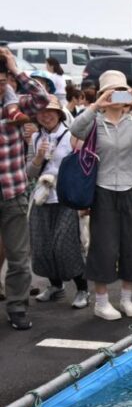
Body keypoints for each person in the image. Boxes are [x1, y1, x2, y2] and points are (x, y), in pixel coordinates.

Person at [70, 70, 132, 320]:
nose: (117, 95)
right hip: (103, 189)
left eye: (121, 90)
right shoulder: (95, 123)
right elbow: (75, 129)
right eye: (112, 91)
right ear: (102, 94)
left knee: (131, 243)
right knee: (104, 245)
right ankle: (101, 301)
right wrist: (96, 105)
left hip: (130, 189)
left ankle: (126, 299)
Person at [0, 47, 50, 330]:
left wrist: (15, 66)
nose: (0, 82)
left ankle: (17, 307)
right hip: (11, 188)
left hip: (13, 190)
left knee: (19, 257)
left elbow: (43, 99)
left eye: (3, 77)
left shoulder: (17, 103)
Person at [26, 95, 89, 309]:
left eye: (50, 111)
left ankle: (82, 288)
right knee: (42, 246)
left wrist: (83, 200)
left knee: (65, 246)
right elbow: (30, 172)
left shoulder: (72, 135)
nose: (46, 115)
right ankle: (55, 285)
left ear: (59, 113)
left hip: (66, 198)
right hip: (42, 198)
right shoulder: (35, 138)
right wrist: (37, 158)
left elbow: (83, 167)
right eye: (41, 112)